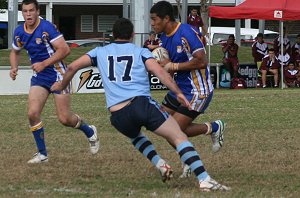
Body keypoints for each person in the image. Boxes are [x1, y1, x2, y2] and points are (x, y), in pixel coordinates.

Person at [51, 17, 230, 192]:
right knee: (179, 136)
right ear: (132, 35)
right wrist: (178, 93)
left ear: (113, 35)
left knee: (137, 137)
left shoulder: (99, 52)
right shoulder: (140, 51)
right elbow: (159, 71)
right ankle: (204, 179)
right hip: (140, 104)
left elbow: (73, 67)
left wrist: (62, 85)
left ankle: (160, 164)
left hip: (117, 115)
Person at [9, 0, 99, 163]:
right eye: (25, 11)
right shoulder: (18, 32)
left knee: (64, 119)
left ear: (37, 11)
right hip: (40, 77)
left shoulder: (46, 28)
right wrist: (13, 67)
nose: (28, 14)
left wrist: (44, 63)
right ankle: (42, 154)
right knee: (32, 113)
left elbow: (64, 49)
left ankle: (89, 131)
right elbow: (15, 52)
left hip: (58, 74)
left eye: (31, 11)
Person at [150, 1, 226, 177]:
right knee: (160, 124)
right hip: (179, 89)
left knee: (174, 130)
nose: (152, 24)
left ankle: (213, 128)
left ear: (166, 18)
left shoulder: (186, 33)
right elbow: (168, 63)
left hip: (197, 90)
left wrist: (173, 66)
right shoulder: (164, 37)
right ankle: (187, 157)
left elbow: (201, 61)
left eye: (154, 19)